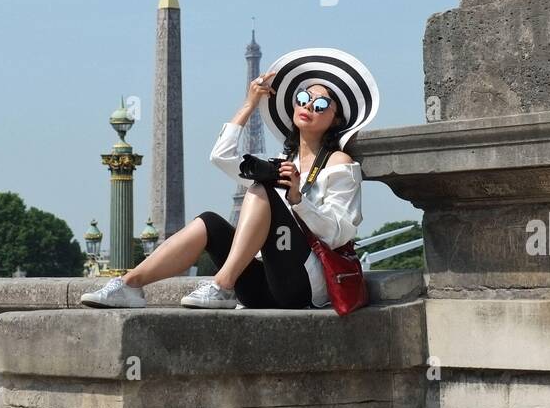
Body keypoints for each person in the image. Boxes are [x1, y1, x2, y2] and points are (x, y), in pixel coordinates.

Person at [80, 46, 380, 310]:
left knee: (262, 188)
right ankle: (131, 284)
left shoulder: (339, 163)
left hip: (303, 285)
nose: (308, 107)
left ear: (337, 119)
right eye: (303, 98)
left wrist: (299, 200)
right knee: (209, 221)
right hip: (261, 287)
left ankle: (222, 284)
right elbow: (221, 157)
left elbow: (340, 234)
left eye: (321, 104)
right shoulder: (281, 163)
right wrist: (249, 104)